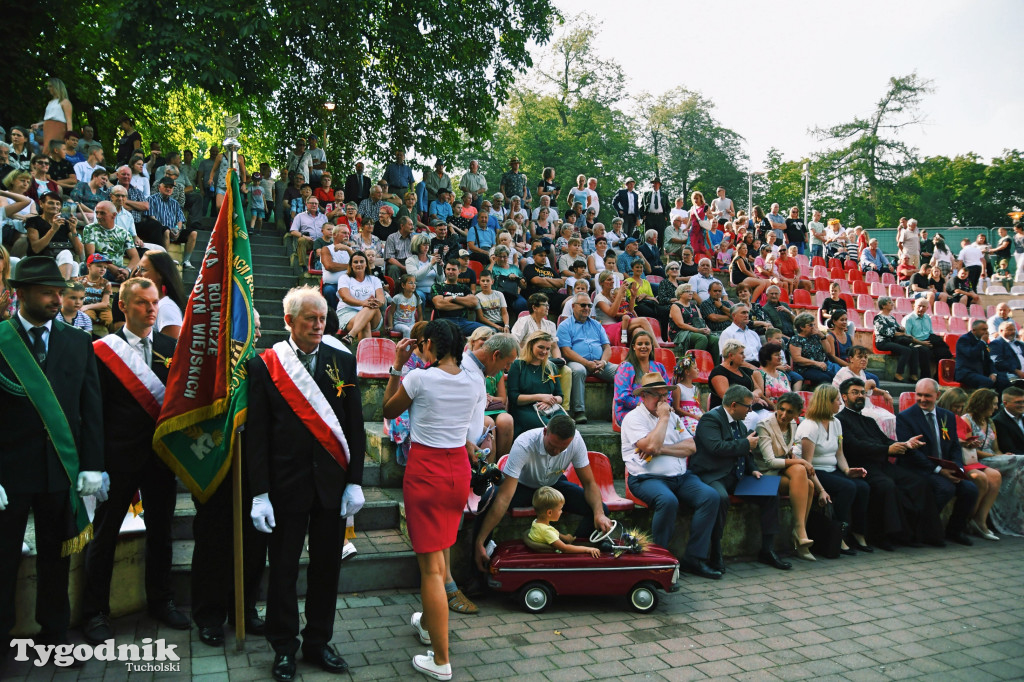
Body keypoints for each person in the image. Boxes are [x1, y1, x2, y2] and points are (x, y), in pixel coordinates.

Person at [246, 286, 364, 681]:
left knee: (327, 568)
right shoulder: (265, 366)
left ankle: (318, 641)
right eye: (310, 318)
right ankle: (284, 647)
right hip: (285, 486)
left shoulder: (342, 362)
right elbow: (258, 434)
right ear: (288, 321)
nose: (319, 325)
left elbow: (353, 426)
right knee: (282, 569)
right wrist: (259, 491)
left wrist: (355, 481)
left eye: (323, 317)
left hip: (330, 486)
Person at [0, 257, 103, 653]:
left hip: (60, 470)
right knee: (3, 560)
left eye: (59, 292)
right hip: (9, 475)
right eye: (47, 292)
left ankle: (55, 635)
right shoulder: (1, 339)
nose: (57, 299)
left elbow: (90, 409)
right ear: (19, 293)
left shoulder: (77, 341)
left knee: (57, 560)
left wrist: (93, 465)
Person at [82, 278, 188, 642]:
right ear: (123, 307)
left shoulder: (171, 348)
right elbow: (91, 413)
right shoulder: (102, 351)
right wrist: (94, 464)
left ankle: (162, 600)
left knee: (161, 532)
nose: (151, 309)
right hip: (118, 459)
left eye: (154, 302)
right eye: (142, 303)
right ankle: (94, 612)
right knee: (105, 534)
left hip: (160, 459)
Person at [381, 320, 484, 680]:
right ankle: (428, 623)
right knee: (441, 548)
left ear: (427, 344)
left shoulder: (419, 378)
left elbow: (388, 410)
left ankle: (441, 660)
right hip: (457, 470)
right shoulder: (474, 381)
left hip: (425, 470)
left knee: (431, 571)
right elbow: (473, 429)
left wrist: (396, 366)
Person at [621, 373, 723, 578]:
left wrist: (660, 449)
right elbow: (650, 445)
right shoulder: (634, 418)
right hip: (645, 478)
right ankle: (658, 559)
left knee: (711, 497)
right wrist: (663, 418)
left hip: (680, 476)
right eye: (657, 396)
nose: (662, 401)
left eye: (665, 396)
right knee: (667, 501)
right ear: (643, 396)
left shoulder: (675, 418)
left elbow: (691, 447)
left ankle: (694, 558)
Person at [692, 385, 791, 571]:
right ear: (734, 405)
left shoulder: (739, 421)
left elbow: (746, 453)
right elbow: (717, 447)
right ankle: (715, 552)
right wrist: (746, 443)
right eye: (748, 406)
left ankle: (767, 549)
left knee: (770, 491)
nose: (750, 411)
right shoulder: (710, 420)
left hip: (735, 476)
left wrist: (752, 469)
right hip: (713, 475)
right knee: (720, 498)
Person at [835, 377, 939, 548]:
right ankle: (886, 537)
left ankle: (923, 534)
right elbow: (854, 446)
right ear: (844, 397)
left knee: (918, 482)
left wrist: (906, 444)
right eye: (855, 393)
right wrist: (887, 450)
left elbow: (885, 441)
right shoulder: (840, 420)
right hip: (862, 468)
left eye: (862, 392)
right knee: (886, 486)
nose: (860, 396)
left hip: (881, 465)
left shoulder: (869, 420)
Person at [896, 379, 980, 546]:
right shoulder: (905, 417)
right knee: (945, 488)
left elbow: (955, 446)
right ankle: (928, 532)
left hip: (944, 468)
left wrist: (958, 469)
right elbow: (912, 453)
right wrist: (939, 470)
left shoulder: (947, 416)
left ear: (938, 395)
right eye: (919, 395)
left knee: (970, 489)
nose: (922, 399)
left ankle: (954, 531)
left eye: (927, 395)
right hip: (918, 468)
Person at [797, 385, 872, 555]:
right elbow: (807, 465)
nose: (840, 403)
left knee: (863, 486)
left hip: (832, 469)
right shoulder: (810, 426)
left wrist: (847, 471)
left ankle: (858, 532)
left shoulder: (836, 422)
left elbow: (840, 453)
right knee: (848, 487)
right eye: (837, 400)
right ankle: (838, 535)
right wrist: (821, 489)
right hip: (816, 471)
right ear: (827, 402)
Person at [755, 392, 817, 560]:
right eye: (781, 409)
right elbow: (769, 462)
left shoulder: (793, 425)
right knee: (801, 471)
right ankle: (799, 531)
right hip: (760, 476)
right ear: (776, 407)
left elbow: (785, 451)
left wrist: (796, 460)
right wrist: (802, 462)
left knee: (807, 482)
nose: (784, 414)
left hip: (778, 472)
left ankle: (800, 538)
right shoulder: (764, 425)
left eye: (790, 412)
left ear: (797, 414)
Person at [944, 389, 1006, 540]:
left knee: (995, 476)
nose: (959, 410)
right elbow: (948, 439)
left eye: (961, 406)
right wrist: (965, 443)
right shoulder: (948, 417)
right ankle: (968, 519)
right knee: (979, 478)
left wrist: (969, 443)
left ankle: (980, 519)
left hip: (967, 458)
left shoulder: (961, 419)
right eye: (955, 406)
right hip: (959, 460)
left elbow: (965, 441)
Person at [557, 293, 619, 424]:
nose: (587, 308)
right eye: (583, 305)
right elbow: (566, 351)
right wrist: (586, 363)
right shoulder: (565, 325)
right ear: (573, 306)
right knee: (578, 370)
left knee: (621, 371)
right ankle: (579, 411)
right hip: (576, 362)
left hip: (599, 363)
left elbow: (607, 348)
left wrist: (603, 362)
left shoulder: (597, 324)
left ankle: (616, 410)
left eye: (589, 305)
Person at [613, 330, 677, 425]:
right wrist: (647, 408)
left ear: (651, 346)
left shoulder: (659, 367)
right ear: (634, 347)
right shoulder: (626, 367)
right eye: (640, 344)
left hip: (656, 409)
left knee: (675, 423)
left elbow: (668, 392)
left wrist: (664, 405)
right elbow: (623, 397)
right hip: (630, 411)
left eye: (647, 344)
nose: (643, 346)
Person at [708, 340, 770, 429]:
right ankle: (744, 441)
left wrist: (752, 396)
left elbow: (758, 390)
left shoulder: (744, 371)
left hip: (748, 407)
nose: (744, 356)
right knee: (753, 418)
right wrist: (750, 397)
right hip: (728, 409)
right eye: (741, 353)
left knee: (770, 418)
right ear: (731, 355)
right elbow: (727, 397)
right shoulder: (719, 372)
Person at [525, 486, 601, 556]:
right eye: (560, 509)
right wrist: (588, 549)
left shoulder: (537, 523)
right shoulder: (547, 532)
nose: (561, 512)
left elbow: (552, 532)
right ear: (549, 513)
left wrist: (566, 538)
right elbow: (564, 548)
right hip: (556, 557)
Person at [337, 251, 386, 344]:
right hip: (348, 312)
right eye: (355, 262)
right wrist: (362, 303)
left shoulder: (374, 279)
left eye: (361, 261)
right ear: (351, 265)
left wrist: (378, 302)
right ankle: (366, 357)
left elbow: (381, 298)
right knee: (365, 324)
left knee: (373, 305)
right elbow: (345, 298)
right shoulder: (344, 278)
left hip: (373, 315)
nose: (359, 264)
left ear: (366, 264)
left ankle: (351, 335)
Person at [874, 296, 927, 383]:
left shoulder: (891, 317)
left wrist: (901, 329)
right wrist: (900, 333)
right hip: (882, 342)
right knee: (906, 350)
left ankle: (913, 375)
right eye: (890, 303)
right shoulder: (878, 318)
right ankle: (898, 374)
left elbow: (897, 328)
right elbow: (886, 332)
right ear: (883, 306)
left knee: (914, 349)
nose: (892, 304)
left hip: (893, 341)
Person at [956, 319, 1008, 391]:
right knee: (987, 382)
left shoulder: (982, 341)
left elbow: (989, 360)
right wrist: (982, 342)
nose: (986, 332)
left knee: (1004, 380)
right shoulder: (964, 339)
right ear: (974, 330)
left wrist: (993, 373)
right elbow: (971, 354)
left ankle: (999, 402)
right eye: (983, 330)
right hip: (966, 373)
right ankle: (979, 401)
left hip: (979, 372)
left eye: (986, 329)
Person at [903, 297, 953, 370]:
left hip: (928, 338)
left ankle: (939, 374)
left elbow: (930, 332)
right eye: (919, 306)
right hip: (916, 341)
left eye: (923, 307)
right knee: (925, 351)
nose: (921, 309)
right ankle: (925, 376)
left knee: (944, 350)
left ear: (927, 308)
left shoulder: (927, 317)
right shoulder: (908, 319)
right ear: (914, 306)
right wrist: (922, 343)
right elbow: (907, 337)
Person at [789, 312, 837, 387]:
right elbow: (797, 358)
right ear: (802, 327)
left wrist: (822, 336)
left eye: (814, 324)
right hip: (804, 369)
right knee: (825, 379)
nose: (813, 327)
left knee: (835, 377)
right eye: (810, 325)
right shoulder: (796, 339)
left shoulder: (815, 337)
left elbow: (828, 351)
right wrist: (816, 363)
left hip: (820, 367)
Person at [718, 304, 761, 368]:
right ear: (734, 315)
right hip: (739, 368)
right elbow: (728, 359)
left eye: (747, 313)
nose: (746, 315)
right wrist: (753, 368)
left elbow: (762, 355)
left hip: (758, 366)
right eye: (743, 313)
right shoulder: (727, 333)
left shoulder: (753, 333)